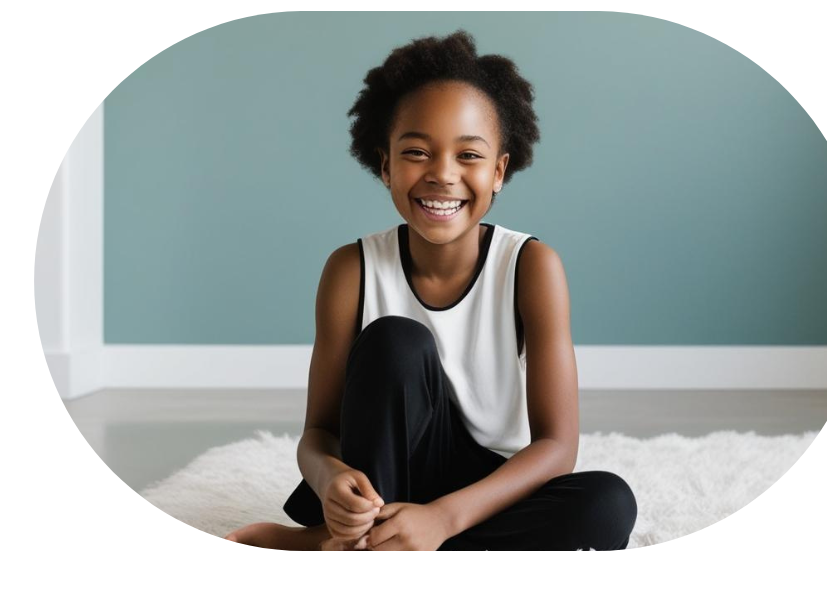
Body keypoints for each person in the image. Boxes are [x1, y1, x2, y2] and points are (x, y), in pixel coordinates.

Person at [225, 29, 637, 552]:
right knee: (396, 341)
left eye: (469, 156)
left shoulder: (531, 265)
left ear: (498, 172)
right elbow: (318, 435)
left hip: (487, 489)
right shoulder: (351, 269)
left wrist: (443, 517)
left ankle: (331, 545)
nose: (443, 175)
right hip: (383, 478)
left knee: (608, 503)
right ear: (385, 165)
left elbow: (557, 446)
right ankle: (380, 537)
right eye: (417, 152)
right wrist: (329, 479)